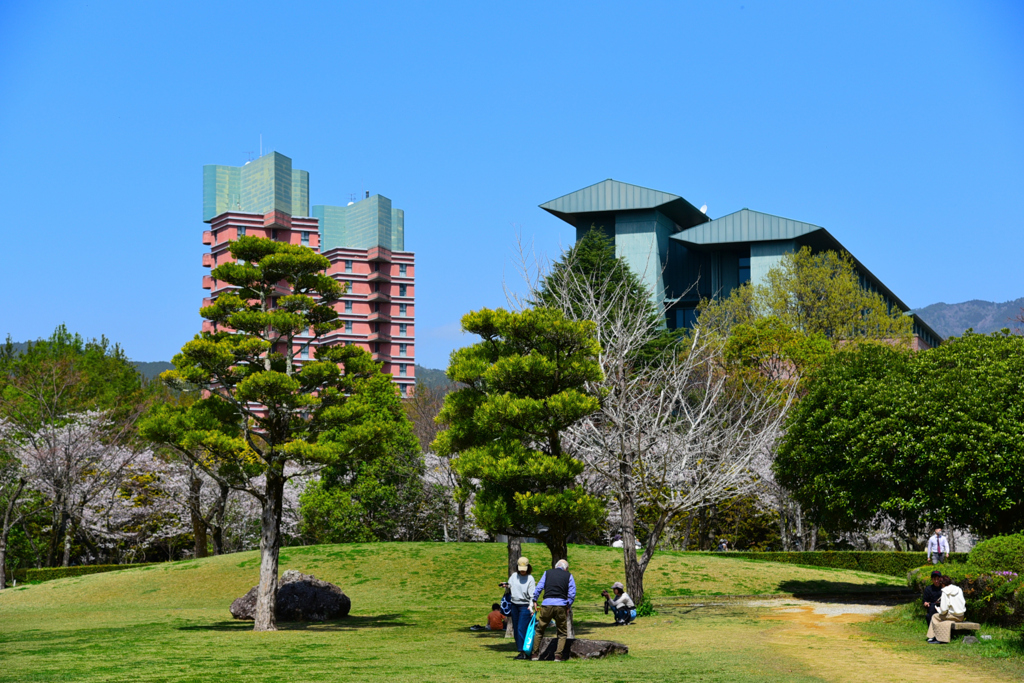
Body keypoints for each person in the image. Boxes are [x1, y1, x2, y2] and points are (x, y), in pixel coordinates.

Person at [530, 559, 576, 662]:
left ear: (556, 566)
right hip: (561, 605)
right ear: (566, 568)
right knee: (562, 632)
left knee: (540, 630)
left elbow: (539, 587)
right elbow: (572, 593)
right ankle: (558, 655)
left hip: (547, 604)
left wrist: (535, 599)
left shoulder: (547, 573)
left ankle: (535, 654)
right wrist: (568, 605)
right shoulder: (568, 575)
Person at [500, 557, 536, 660]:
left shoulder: (530, 579)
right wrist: (506, 585)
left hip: (525, 606)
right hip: (514, 605)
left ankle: (526, 651)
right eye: (521, 568)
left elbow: (532, 595)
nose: (522, 571)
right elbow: (511, 585)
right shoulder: (514, 576)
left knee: (521, 628)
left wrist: (531, 607)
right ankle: (521, 651)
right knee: (516, 628)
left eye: (524, 569)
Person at [927, 576, 966, 644]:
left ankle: (934, 637)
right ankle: (937, 636)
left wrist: (939, 610)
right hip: (961, 616)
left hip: (952, 616)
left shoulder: (945, 591)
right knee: (940, 618)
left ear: (942, 584)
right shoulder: (958, 589)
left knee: (935, 617)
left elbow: (944, 609)